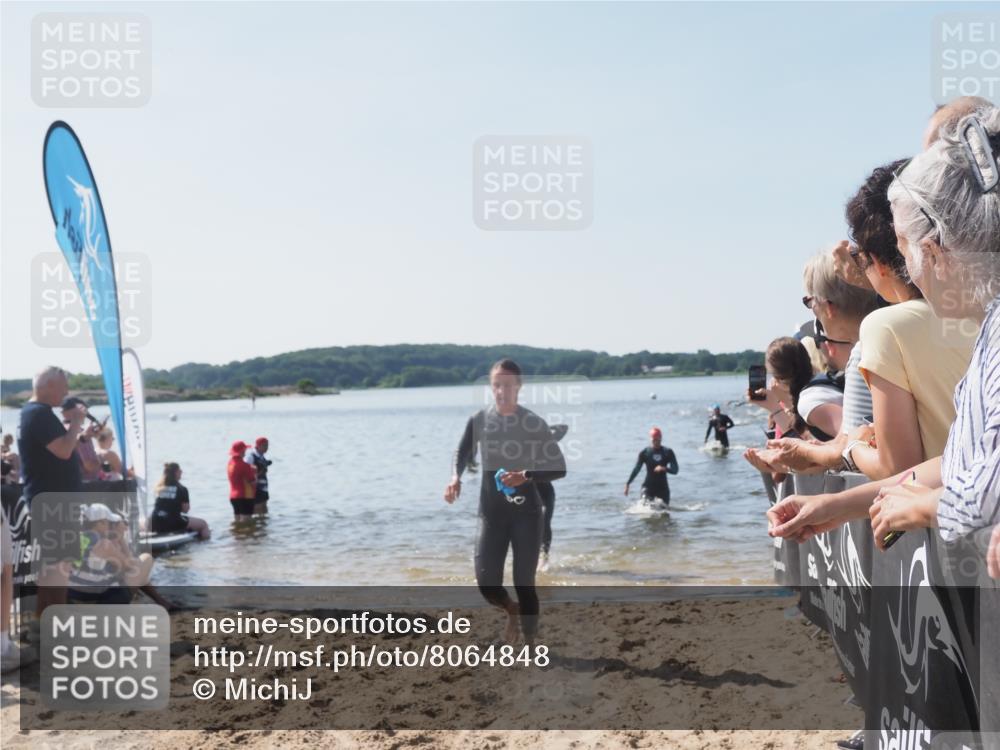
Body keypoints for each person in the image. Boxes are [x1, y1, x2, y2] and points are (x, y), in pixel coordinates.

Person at [768, 108, 1000, 559]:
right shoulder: (987, 328)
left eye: (905, 248)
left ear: (932, 252)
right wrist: (835, 506)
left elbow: (983, 495)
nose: (905, 269)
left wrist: (926, 507)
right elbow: (960, 468)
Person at [444, 359, 566, 644]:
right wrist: (455, 477)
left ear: (519, 387)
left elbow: (559, 468)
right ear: (491, 386)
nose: (501, 391)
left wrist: (526, 475)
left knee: (524, 584)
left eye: (508, 385)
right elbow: (461, 452)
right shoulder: (479, 420)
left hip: (527, 514)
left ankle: (530, 645)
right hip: (491, 514)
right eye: (497, 385)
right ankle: (511, 610)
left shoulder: (533, 422)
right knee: (487, 585)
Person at [17, 367, 84, 614]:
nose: (66, 392)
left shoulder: (33, 413)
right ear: (48, 386)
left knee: (51, 568)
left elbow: (59, 448)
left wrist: (75, 432)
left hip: (49, 500)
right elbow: (63, 451)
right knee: (57, 568)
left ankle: (44, 625)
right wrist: (76, 423)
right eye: (63, 387)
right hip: (54, 504)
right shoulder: (39, 414)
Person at [67, 503, 153, 604]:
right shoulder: (103, 544)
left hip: (74, 594)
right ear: (100, 523)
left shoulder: (78, 537)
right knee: (146, 558)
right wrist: (121, 539)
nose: (109, 526)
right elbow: (129, 567)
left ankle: (160, 600)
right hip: (94, 599)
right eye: (108, 523)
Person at [151, 462, 210, 539]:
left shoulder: (158, 488)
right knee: (203, 524)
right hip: (172, 522)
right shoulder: (182, 488)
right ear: (176, 472)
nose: (182, 472)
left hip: (155, 522)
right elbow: (185, 510)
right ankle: (205, 544)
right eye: (180, 471)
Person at [537, 424, 568, 569]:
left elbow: (564, 428)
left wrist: (546, 428)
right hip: (527, 493)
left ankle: (545, 557)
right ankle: (532, 556)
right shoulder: (521, 448)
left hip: (546, 492)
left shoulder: (547, 443)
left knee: (545, 519)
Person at [625, 427, 679, 506]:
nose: (656, 442)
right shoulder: (645, 453)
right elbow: (637, 469)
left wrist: (664, 468)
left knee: (664, 513)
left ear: (661, 439)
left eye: (658, 440)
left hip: (663, 488)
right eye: (654, 440)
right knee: (644, 508)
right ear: (651, 439)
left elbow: (675, 470)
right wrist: (628, 483)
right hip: (648, 487)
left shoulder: (667, 452)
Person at [60, 397, 103, 481]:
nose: (86, 414)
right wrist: (104, 460)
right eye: (83, 410)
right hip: (87, 485)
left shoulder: (59, 430)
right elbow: (90, 465)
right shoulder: (80, 433)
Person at [228, 440, 257, 523]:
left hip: (233, 497)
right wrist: (255, 472)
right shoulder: (245, 466)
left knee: (237, 522)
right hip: (245, 496)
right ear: (242, 451)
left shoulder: (230, 463)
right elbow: (253, 483)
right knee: (247, 523)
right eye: (244, 450)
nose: (245, 452)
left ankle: (237, 535)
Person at [245, 437, 272, 515]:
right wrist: (259, 473)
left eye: (267, 445)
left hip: (264, 486)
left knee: (264, 508)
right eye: (265, 445)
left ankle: (263, 525)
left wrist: (266, 464)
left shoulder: (262, 456)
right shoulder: (251, 456)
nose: (267, 448)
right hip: (256, 488)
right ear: (258, 446)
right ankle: (256, 525)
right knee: (257, 509)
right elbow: (246, 472)